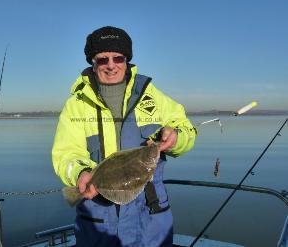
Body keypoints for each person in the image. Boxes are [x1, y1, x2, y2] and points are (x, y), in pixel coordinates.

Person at [52, 26, 197, 247]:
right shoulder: (76, 105)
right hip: (98, 221)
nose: (111, 65)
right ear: (93, 61)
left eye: (118, 58)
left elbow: (186, 129)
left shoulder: (151, 95)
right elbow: (66, 153)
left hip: (150, 219)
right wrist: (81, 173)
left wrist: (177, 137)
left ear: (126, 59)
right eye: (103, 59)